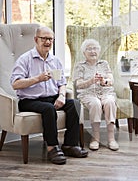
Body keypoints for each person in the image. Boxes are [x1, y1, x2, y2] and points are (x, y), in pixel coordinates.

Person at [10, 26, 88, 165]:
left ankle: (69, 145)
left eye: (50, 39)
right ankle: (52, 147)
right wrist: (37, 79)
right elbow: (15, 84)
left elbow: (62, 83)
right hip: (29, 100)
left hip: (52, 97)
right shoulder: (25, 59)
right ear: (36, 39)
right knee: (48, 108)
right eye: (44, 38)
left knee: (74, 104)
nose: (47, 42)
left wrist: (62, 96)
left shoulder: (55, 61)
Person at [73, 39, 119, 151]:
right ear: (84, 53)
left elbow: (111, 80)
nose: (93, 51)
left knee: (109, 102)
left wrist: (104, 81)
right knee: (95, 103)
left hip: (105, 92)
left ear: (99, 51)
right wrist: (90, 81)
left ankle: (111, 138)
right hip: (88, 94)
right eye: (89, 49)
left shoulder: (104, 64)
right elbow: (78, 85)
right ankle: (95, 138)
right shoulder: (80, 66)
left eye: (95, 48)